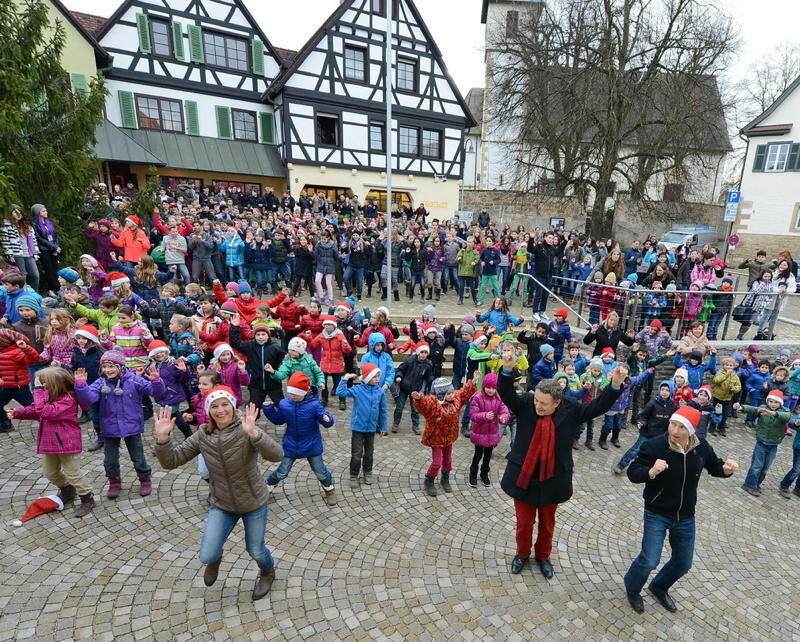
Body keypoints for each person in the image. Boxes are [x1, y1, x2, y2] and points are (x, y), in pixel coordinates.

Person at [497, 346, 628, 578]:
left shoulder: (572, 409)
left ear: (556, 403)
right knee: (524, 524)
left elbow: (597, 407)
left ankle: (543, 556)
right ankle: (522, 554)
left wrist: (615, 385)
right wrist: (507, 369)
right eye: (537, 400)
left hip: (552, 478)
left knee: (547, 525)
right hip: (524, 476)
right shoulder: (527, 403)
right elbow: (506, 394)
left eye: (543, 404)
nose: (538, 406)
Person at [153, 391, 283, 601]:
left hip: (253, 503)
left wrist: (254, 434)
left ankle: (267, 571)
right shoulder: (203, 434)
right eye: (214, 406)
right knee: (207, 555)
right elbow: (171, 461)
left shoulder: (245, 429)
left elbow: (276, 455)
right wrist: (162, 438)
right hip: (222, 504)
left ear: (233, 406)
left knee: (256, 550)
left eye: (225, 405)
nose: (220, 410)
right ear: (208, 411)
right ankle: (216, 558)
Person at [623, 406, 738, 614]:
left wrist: (726, 470)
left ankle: (658, 587)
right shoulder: (654, 446)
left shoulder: (700, 447)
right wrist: (650, 471)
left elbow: (715, 466)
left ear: (691, 430)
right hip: (657, 512)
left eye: (681, 427)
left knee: (683, 563)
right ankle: (632, 588)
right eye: (673, 424)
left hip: (685, 515)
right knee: (649, 560)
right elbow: (633, 472)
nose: (675, 431)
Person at [75, 350, 164, 499]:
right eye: (105, 366)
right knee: (110, 459)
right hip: (109, 427)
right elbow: (88, 399)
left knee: (138, 456)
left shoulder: (134, 380)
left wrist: (156, 381)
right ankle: (114, 482)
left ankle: (145, 479)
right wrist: (81, 385)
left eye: (111, 366)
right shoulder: (100, 382)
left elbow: (156, 393)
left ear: (121, 366)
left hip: (132, 426)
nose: (108, 370)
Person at [9, 367, 95, 517]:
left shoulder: (68, 399)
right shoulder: (47, 397)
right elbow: (35, 410)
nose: (41, 387)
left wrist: (38, 390)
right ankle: (67, 490)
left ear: (54, 385)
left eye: (43, 384)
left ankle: (87, 498)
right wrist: (18, 412)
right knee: (50, 473)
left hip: (67, 443)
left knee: (73, 473)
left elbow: (46, 412)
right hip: (50, 443)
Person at [262, 372, 337, 506]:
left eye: (296, 394)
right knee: (281, 472)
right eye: (290, 393)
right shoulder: (285, 404)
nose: (292, 396)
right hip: (291, 444)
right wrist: (268, 409)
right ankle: (267, 487)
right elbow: (279, 419)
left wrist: (328, 419)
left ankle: (329, 488)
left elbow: (325, 419)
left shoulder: (314, 405)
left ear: (305, 391)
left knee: (321, 472)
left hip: (311, 444)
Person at [414, 376, 477, 497]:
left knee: (448, 460)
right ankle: (429, 480)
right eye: (449, 393)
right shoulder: (433, 404)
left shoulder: (456, 398)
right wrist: (419, 399)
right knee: (437, 462)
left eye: (452, 392)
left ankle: (445, 478)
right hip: (436, 438)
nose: (452, 395)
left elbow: (464, 392)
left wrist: (472, 382)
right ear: (441, 395)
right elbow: (424, 404)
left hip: (449, 437)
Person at [336, 364, 387, 487]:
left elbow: (383, 411)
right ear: (367, 377)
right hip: (358, 428)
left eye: (378, 376)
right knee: (357, 453)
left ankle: (367, 472)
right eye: (374, 377)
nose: (377, 379)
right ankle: (354, 475)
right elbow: (340, 392)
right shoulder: (358, 389)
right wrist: (345, 379)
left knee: (369, 453)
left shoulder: (380, 392)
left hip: (371, 428)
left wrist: (383, 427)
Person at [736, 390, 793, 497]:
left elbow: (786, 417)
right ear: (767, 401)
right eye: (770, 401)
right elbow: (753, 409)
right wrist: (741, 407)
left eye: (776, 402)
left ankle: (756, 484)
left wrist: (773, 413)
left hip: (773, 445)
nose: (773, 404)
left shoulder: (785, 411)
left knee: (765, 468)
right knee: (757, 466)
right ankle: (750, 485)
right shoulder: (763, 408)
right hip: (761, 443)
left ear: (780, 403)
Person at [468, 373, 510, 487]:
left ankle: (484, 474)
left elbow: (505, 410)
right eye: (488, 387)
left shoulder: (499, 398)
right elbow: (473, 415)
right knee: (477, 455)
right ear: (484, 386)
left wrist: (503, 418)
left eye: (493, 388)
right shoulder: (478, 398)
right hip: (479, 432)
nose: (491, 390)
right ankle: (473, 474)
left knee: (487, 456)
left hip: (492, 433)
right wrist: (485, 416)